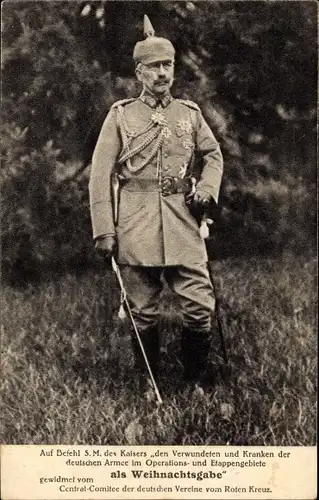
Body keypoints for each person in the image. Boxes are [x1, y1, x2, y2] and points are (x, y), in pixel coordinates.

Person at [89, 15, 223, 389]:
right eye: (154, 67)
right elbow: (100, 174)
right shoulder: (121, 116)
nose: (162, 73)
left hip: (183, 218)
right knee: (142, 309)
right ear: (139, 72)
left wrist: (207, 189)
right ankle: (149, 382)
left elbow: (213, 155)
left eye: (168, 65)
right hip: (135, 219)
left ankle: (195, 380)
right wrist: (104, 230)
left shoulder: (189, 115)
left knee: (199, 305)